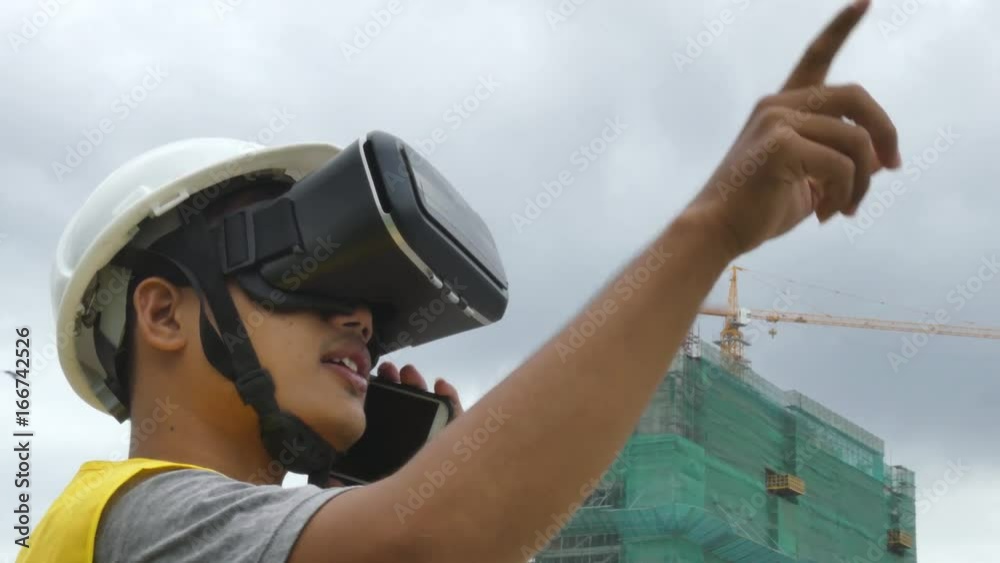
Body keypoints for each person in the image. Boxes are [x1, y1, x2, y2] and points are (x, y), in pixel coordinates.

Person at [20, 1, 900, 561]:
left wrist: (437, 487)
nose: (359, 313)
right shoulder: (136, 521)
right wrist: (710, 229)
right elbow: (432, 543)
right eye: (301, 267)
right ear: (164, 312)